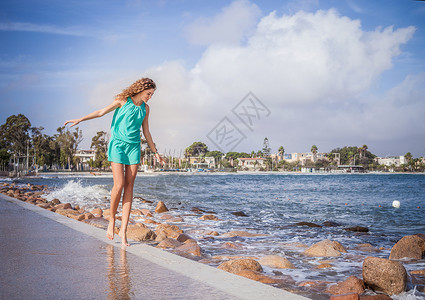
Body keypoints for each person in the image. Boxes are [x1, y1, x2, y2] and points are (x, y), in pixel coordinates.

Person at [64, 77, 164, 246]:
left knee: (129, 186)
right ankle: (112, 221)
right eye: (149, 93)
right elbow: (101, 112)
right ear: (141, 89)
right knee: (118, 185)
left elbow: (146, 132)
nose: (150, 97)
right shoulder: (123, 101)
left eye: (152, 94)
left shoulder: (146, 108)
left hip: (134, 148)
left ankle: (123, 231)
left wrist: (156, 153)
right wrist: (80, 119)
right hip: (117, 145)